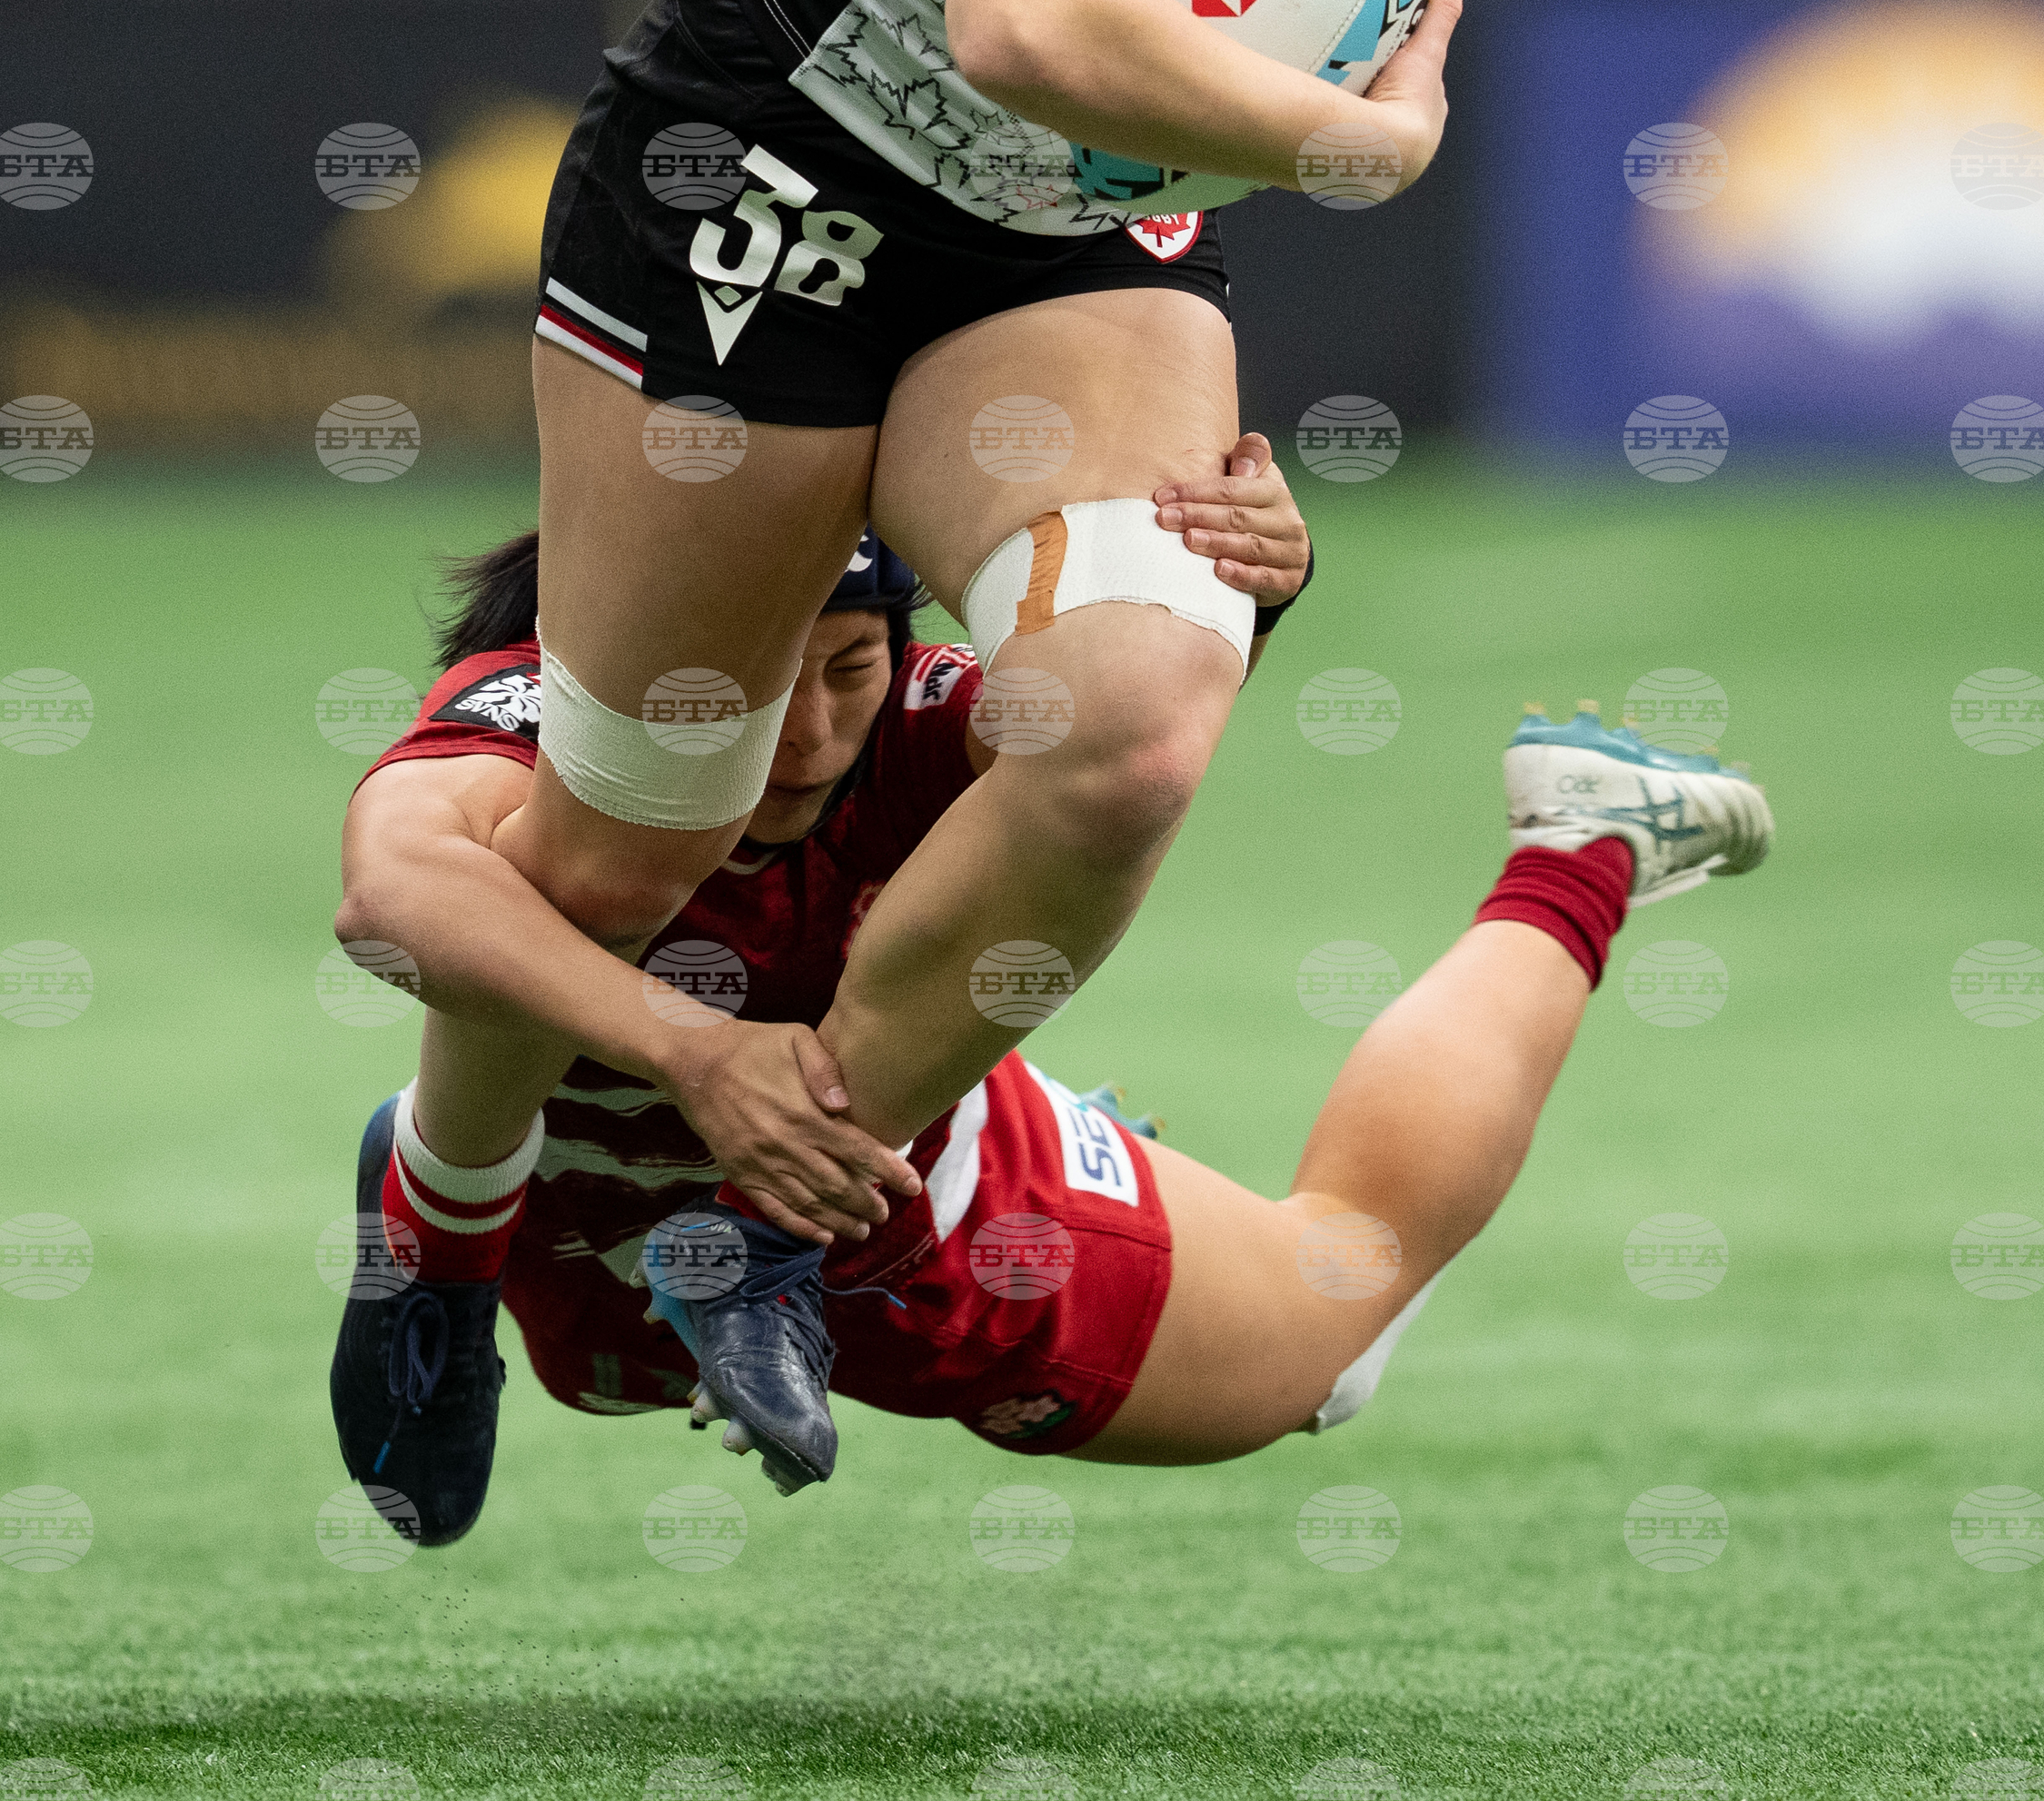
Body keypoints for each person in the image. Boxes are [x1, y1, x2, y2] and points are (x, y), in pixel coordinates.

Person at [489, 0, 1652, 1471]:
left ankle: (777, 1226)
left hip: (1062, 236)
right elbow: (1021, 13)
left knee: (1125, 724)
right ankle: (435, 1213)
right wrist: (1348, 146)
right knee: (621, 850)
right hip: (787, 171)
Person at [330, 485, 1772, 1539]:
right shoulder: (535, 706)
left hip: (916, 1202)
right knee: (517, 892)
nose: (812, 735)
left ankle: (1580, 843)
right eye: (766, 679)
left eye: (850, 666)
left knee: (1325, 1327)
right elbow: (392, 896)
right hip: (575, 1168)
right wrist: (694, 1054)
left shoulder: (942, 715)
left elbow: (1125, 739)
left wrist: (1241, 592)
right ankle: (444, 1208)